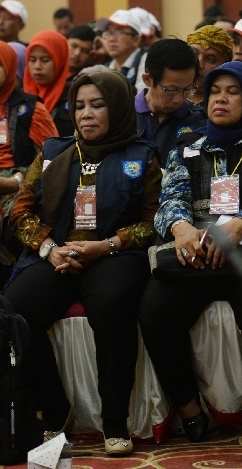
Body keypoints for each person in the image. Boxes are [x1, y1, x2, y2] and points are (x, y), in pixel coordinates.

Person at [138, 61, 242, 442]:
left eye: (233, 92)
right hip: (199, 252)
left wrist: (239, 224)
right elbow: (171, 198)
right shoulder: (190, 145)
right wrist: (180, 228)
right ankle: (189, 408)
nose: (221, 99)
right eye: (215, 91)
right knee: (155, 312)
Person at [5, 70, 162, 455]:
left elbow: (152, 221)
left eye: (97, 105)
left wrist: (108, 245)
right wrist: (49, 248)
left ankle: (114, 421)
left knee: (112, 306)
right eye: (79, 106)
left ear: (119, 108)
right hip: (56, 254)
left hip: (114, 254)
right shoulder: (53, 152)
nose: (86, 114)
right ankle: (54, 412)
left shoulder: (141, 157)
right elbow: (20, 210)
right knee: (15, 311)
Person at [0, 42, 58, 246]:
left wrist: (17, 180)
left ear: (8, 68)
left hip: (20, 183)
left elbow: (53, 160)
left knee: (14, 222)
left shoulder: (32, 108)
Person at [136, 39, 207, 161]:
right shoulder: (123, 117)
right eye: (171, 90)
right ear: (147, 80)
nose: (178, 100)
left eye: (187, 89)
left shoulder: (201, 121)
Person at [24, 30, 74, 137]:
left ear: (60, 60)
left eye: (45, 60)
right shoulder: (19, 98)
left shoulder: (74, 95)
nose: (37, 66)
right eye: (32, 60)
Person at [103, 10, 148, 91]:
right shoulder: (107, 67)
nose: (111, 39)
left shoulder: (146, 59)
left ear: (136, 40)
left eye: (119, 32)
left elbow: (142, 97)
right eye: (108, 33)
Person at [186, 24, 233, 99]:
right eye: (193, 54)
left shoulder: (224, 103)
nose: (199, 65)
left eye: (210, 60)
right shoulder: (168, 97)